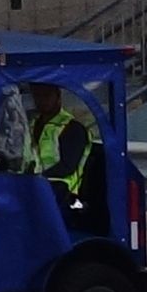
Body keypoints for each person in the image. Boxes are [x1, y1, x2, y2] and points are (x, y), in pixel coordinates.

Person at [16, 83, 101, 235]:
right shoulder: (33, 124)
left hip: (68, 193)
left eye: (47, 96)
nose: (42, 100)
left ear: (58, 96)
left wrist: (38, 178)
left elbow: (67, 167)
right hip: (39, 186)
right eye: (38, 96)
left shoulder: (72, 128)